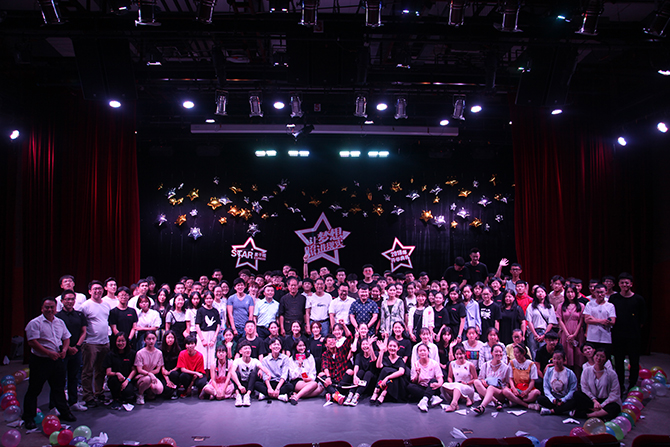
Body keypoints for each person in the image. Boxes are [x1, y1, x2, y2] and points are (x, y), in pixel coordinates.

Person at [23, 297, 77, 429]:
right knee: (34, 389)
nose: (49, 310)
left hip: (57, 360)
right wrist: (48, 353)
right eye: (47, 307)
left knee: (58, 388)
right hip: (40, 361)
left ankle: (64, 412)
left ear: (55, 308)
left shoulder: (60, 322)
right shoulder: (35, 323)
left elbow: (66, 338)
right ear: (42, 308)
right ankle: (28, 417)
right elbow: (32, 342)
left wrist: (64, 350)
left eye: (52, 307)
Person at [609, 272, 646, 393]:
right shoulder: (614, 298)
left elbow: (642, 319)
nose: (624, 285)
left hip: (633, 336)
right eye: (622, 283)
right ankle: (620, 385)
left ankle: (632, 385)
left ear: (631, 284)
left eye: (627, 283)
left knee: (634, 361)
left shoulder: (638, 299)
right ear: (619, 284)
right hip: (617, 335)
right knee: (618, 361)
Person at [54, 289, 88, 412]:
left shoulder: (79, 315)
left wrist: (77, 347)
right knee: (59, 378)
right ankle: (57, 405)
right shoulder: (57, 316)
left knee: (73, 377)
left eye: (72, 299)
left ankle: (73, 402)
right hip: (62, 352)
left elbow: (83, 332)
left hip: (76, 351)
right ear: (62, 301)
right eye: (67, 299)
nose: (70, 301)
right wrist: (67, 348)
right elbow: (56, 335)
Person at [80, 280, 111, 408]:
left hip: (105, 342)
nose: (97, 291)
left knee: (101, 370)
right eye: (95, 289)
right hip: (90, 342)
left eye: (99, 288)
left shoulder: (106, 305)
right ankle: (88, 396)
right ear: (89, 291)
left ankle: (99, 393)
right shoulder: (85, 306)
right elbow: (81, 325)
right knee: (88, 371)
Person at [575, 348, 621, 420]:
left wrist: (602, 405)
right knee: (577, 395)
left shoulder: (612, 374)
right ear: (594, 356)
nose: (599, 358)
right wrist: (594, 401)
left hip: (605, 401)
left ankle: (589, 415)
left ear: (606, 359)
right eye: (597, 355)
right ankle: (600, 413)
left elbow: (615, 393)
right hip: (592, 400)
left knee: (615, 407)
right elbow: (584, 388)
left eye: (602, 357)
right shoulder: (587, 370)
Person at [537, 350, 578, 415]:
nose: (556, 361)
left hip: (565, 398)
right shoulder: (549, 371)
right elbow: (546, 387)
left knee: (574, 402)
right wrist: (552, 399)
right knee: (540, 399)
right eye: (554, 359)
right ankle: (562, 410)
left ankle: (552, 411)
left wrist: (564, 400)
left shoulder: (570, 373)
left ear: (564, 360)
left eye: (559, 359)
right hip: (553, 398)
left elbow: (573, 389)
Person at [473, 344, 510, 415]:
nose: (498, 353)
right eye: (496, 351)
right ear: (491, 353)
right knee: (476, 381)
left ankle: (482, 406)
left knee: (491, 388)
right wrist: (482, 381)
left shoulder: (506, 368)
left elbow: (508, 383)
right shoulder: (485, 365)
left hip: (498, 392)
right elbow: (481, 378)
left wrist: (503, 388)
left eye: (500, 352)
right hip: (485, 390)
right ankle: (496, 402)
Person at [104, 331, 137, 409]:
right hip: (115, 379)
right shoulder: (110, 355)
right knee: (113, 381)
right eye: (118, 341)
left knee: (128, 393)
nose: (121, 343)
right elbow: (108, 372)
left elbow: (134, 370)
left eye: (123, 341)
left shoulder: (132, 353)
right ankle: (115, 399)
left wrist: (127, 380)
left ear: (126, 342)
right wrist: (117, 373)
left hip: (128, 379)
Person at [319, 330, 354, 405]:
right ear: (326, 345)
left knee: (350, 371)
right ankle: (336, 395)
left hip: (342, 381)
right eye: (329, 341)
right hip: (332, 381)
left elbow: (349, 337)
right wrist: (328, 377)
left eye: (333, 340)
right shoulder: (325, 354)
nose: (332, 342)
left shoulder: (342, 350)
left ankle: (332, 394)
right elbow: (325, 366)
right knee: (321, 374)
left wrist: (344, 325)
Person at [370, 337, 407, 406]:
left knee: (390, 371)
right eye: (390, 346)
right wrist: (381, 351)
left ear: (398, 348)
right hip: (384, 384)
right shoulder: (386, 358)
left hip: (397, 386)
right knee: (384, 370)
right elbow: (378, 366)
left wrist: (387, 377)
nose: (392, 348)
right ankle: (376, 391)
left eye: (394, 346)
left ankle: (382, 393)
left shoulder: (400, 359)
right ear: (387, 347)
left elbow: (401, 372)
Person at [502, 343, 541, 409]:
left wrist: (527, 391)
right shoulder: (512, 363)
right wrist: (514, 389)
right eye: (514, 352)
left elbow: (532, 381)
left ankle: (515, 401)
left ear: (523, 353)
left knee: (536, 392)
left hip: (527, 389)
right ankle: (526, 405)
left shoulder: (531, 364)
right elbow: (510, 379)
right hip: (516, 389)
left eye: (517, 353)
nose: (515, 355)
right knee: (505, 391)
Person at [583, 284, 616, 358]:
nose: (600, 294)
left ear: (605, 292)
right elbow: (587, 320)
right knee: (592, 358)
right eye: (597, 292)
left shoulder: (610, 306)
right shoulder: (589, 304)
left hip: (606, 337)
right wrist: (601, 321)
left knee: (606, 358)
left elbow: (612, 321)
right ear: (594, 292)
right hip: (592, 337)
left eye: (602, 292)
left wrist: (593, 319)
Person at [229, 340, 266, 407]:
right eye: (245, 348)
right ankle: (238, 395)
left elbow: (262, 367)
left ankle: (247, 395)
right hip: (240, 384)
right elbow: (232, 371)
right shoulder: (237, 361)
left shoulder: (254, 360)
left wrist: (267, 372)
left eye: (249, 348)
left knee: (254, 373)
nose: (248, 350)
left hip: (250, 384)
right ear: (240, 351)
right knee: (235, 373)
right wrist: (239, 385)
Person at [409, 343, 444, 412]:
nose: (422, 352)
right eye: (420, 351)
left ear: (428, 352)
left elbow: (440, 378)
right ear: (418, 353)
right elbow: (414, 381)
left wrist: (438, 384)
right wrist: (418, 374)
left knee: (433, 381)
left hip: (432, 387)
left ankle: (424, 401)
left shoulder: (434, 363)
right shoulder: (416, 364)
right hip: (422, 386)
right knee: (410, 387)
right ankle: (431, 398)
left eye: (424, 350)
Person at [442, 343, 477, 412]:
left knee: (457, 387)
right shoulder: (452, 364)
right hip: (456, 385)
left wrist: (467, 383)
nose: (459, 356)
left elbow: (475, 379)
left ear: (464, 354)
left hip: (467, 386)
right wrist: (452, 384)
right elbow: (449, 377)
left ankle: (453, 404)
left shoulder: (470, 365)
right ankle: (466, 398)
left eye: (461, 354)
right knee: (444, 385)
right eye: (457, 354)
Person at [525, 285, 557, 359]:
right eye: (538, 292)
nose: (540, 293)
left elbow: (551, 322)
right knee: (533, 351)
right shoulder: (531, 306)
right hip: (533, 332)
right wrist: (535, 334)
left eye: (542, 291)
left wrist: (544, 335)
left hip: (545, 331)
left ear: (545, 293)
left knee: (544, 352)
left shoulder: (550, 307)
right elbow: (529, 321)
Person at [287, 339, 323, 405]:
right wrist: (299, 366)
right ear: (295, 347)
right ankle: (296, 397)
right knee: (314, 384)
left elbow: (313, 372)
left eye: (303, 345)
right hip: (297, 381)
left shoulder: (310, 357)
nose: (302, 348)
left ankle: (297, 394)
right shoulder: (291, 359)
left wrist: (309, 378)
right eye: (300, 346)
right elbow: (292, 376)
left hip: (308, 380)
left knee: (320, 388)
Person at [558, 285, 585, 370]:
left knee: (578, 356)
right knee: (567, 355)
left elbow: (581, 321)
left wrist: (574, 334)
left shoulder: (581, 306)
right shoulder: (561, 306)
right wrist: (567, 334)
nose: (570, 294)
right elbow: (560, 320)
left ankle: (577, 377)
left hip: (578, 333)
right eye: (568, 292)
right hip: (565, 333)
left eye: (572, 292)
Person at [344, 337, 377, 406]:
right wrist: (355, 376)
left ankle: (357, 395)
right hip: (361, 381)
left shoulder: (375, 353)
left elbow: (374, 359)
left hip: (371, 381)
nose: (365, 346)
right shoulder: (359, 355)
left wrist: (370, 345)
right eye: (363, 344)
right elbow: (356, 366)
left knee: (368, 373)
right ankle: (351, 394)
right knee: (360, 372)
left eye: (367, 344)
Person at [134, 331, 165, 404]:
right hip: (141, 376)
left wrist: (150, 374)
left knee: (159, 389)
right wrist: (149, 374)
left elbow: (157, 370)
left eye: (153, 339)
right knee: (148, 379)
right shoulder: (140, 353)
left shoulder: (159, 353)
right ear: (144, 340)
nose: (151, 341)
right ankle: (140, 394)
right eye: (149, 339)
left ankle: (148, 391)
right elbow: (139, 370)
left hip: (151, 375)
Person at [195, 291, 221, 370]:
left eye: (210, 298)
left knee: (211, 357)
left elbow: (218, 325)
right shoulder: (200, 310)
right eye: (207, 298)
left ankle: (211, 375)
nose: (209, 300)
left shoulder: (215, 311)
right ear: (204, 299)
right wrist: (202, 339)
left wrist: (214, 338)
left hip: (212, 334)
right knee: (202, 356)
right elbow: (197, 325)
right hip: (203, 334)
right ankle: (202, 374)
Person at [160, 330, 181, 399]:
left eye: (172, 338)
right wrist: (167, 378)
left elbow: (179, 365)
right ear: (165, 339)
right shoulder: (160, 350)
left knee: (174, 374)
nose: (170, 340)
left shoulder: (178, 350)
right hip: (163, 373)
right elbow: (161, 365)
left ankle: (175, 389)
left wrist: (170, 371)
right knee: (167, 390)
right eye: (168, 338)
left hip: (174, 371)